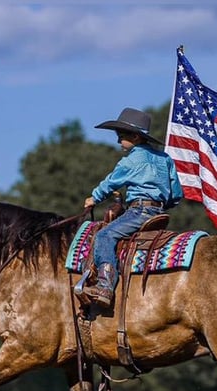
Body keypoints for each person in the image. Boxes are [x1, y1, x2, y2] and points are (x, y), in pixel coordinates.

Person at [82, 107, 184, 307]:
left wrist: (94, 198)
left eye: (121, 136)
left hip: (138, 211)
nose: (118, 141)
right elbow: (176, 194)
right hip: (159, 212)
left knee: (104, 235)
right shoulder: (165, 159)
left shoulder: (131, 160)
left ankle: (105, 285)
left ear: (135, 137)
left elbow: (111, 182)